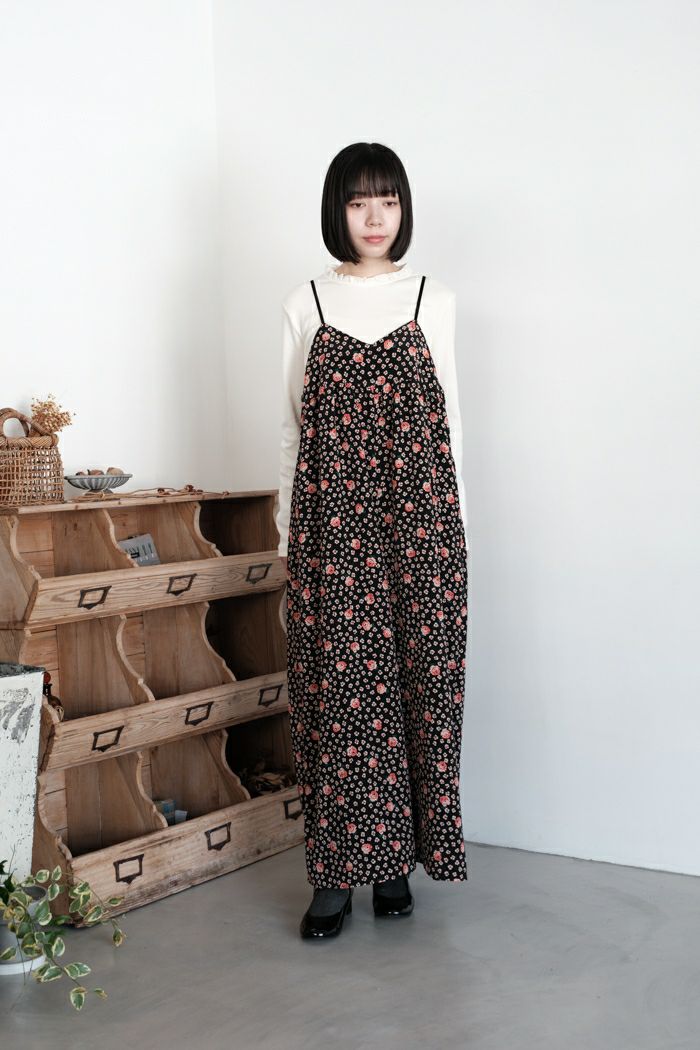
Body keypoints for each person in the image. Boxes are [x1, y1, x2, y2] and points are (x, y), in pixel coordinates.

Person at [275, 142, 469, 939]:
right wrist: (288, 537)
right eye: (359, 202)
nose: (375, 217)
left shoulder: (433, 299)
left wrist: (460, 534)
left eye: (387, 200)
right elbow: (289, 429)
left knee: (414, 692)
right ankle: (334, 875)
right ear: (338, 211)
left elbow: (452, 424)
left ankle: (395, 867)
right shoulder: (306, 305)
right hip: (331, 529)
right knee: (336, 693)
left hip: (421, 528)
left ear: (403, 208)